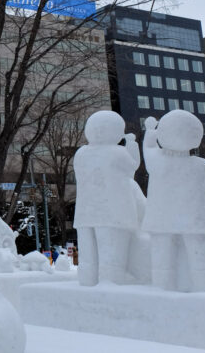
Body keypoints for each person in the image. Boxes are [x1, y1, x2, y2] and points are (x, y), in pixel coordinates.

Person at [142, 111, 205, 292]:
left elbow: (148, 148)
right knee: (201, 258)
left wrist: (150, 132)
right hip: (196, 220)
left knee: (162, 260)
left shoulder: (156, 162)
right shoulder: (204, 166)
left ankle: (163, 289)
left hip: (161, 220)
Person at [73, 111, 146, 285]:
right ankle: (110, 281)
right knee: (111, 253)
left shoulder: (81, 153)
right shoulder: (117, 152)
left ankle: (87, 279)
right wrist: (131, 145)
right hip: (113, 211)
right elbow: (132, 168)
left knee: (88, 255)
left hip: (85, 213)